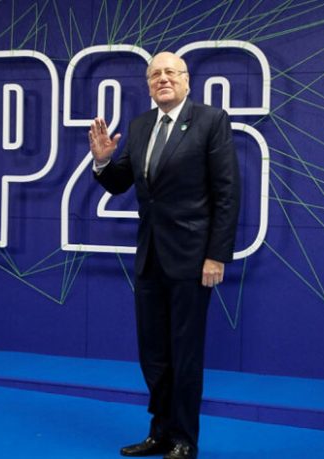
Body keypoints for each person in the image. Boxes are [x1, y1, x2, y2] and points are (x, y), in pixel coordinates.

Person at [88, 51, 240, 459]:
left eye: (171, 72)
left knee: (184, 353)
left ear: (187, 80)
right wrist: (102, 162)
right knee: (153, 353)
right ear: (149, 84)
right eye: (155, 74)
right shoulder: (140, 126)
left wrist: (216, 255)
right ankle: (159, 432)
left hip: (193, 259)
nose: (163, 79)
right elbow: (121, 182)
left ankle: (184, 439)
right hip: (150, 258)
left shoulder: (210, 121)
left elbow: (227, 193)